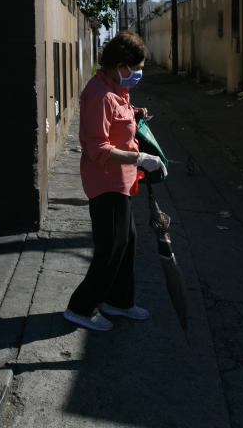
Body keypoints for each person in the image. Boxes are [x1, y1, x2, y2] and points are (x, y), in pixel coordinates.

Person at [64, 31, 167, 331]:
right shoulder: (99, 95)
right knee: (111, 247)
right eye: (134, 69)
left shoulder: (115, 89)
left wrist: (135, 114)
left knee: (127, 243)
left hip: (122, 182)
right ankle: (80, 307)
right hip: (105, 182)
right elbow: (97, 148)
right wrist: (139, 159)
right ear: (120, 65)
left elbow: (118, 115)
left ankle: (119, 301)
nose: (137, 75)